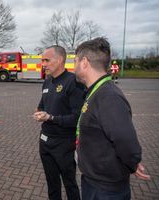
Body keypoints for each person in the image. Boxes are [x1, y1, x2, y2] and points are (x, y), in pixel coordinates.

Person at [74, 37, 150, 200]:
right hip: (94, 183)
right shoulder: (97, 91)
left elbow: (125, 140)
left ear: (84, 62)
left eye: (75, 61)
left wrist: (132, 162)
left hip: (105, 190)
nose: (73, 67)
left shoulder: (108, 97)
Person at [33, 45, 84, 200]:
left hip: (64, 144)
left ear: (60, 59)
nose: (43, 64)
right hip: (45, 141)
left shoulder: (73, 82)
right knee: (52, 183)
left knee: (69, 184)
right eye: (42, 60)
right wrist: (39, 111)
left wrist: (51, 117)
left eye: (46, 60)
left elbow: (77, 118)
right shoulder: (47, 82)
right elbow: (42, 105)